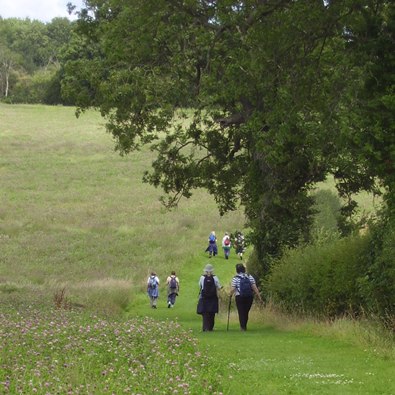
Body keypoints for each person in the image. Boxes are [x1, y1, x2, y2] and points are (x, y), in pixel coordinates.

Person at [229, 263, 262, 331]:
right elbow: (254, 287)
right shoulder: (250, 277)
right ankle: (244, 325)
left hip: (239, 297)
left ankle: (242, 327)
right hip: (249, 296)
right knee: (246, 311)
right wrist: (259, 296)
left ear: (237, 270)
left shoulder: (235, 278)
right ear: (244, 269)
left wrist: (230, 294)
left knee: (241, 311)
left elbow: (233, 289)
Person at [197, 263, 222, 331]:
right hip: (213, 297)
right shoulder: (215, 277)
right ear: (212, 270)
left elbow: (200, 286)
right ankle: (210, 327)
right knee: (212, 312)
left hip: (204, 297)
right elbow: (219, 287)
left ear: (205, 270)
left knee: (205, 313)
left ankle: (205, 327)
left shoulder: (202, 277)